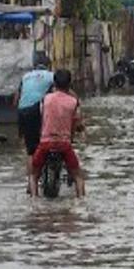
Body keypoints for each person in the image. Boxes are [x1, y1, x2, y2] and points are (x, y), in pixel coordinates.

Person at [28, 68, 86, 197]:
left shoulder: (46, 99)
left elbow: (42, 117)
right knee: (78, 176)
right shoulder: (73, 102)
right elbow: (76, 122)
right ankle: (81, 203)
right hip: (64, 144)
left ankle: (34, 203)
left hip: (45, 143)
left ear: (54, 83)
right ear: (69, 84)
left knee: (33, 175)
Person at [16, 51, 54, 157]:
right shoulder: (51, 76)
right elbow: (61, 92)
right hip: (37, 110)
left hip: (22, 110)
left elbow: (17, 98)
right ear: (48, 65)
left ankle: (31, 171)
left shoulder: (25, 76)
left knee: (30, 150)